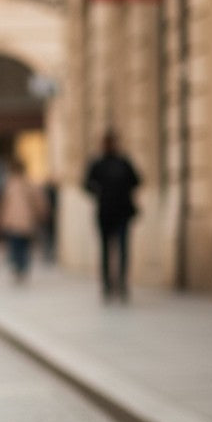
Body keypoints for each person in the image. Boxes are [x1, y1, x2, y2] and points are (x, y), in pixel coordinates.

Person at [84, 128, 141, 302]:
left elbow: (136, 180)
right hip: (105, 212)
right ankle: (108, 284)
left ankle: (121, 282)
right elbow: (86, 184)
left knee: (122, 249)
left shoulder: (123, 162)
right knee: (106, 250)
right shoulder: (98, 163)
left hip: (122, 212)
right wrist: (100, 192)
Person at [0, 157, 48, 282]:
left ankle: (18, 267)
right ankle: (21, 267)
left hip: (14, 221)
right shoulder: (28, 183)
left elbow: (3, 203)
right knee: (22, 246)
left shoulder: (10, 184)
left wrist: (0, 217)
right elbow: (39, 201)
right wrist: (42, 213)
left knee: (16, 246)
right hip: (24, 221)